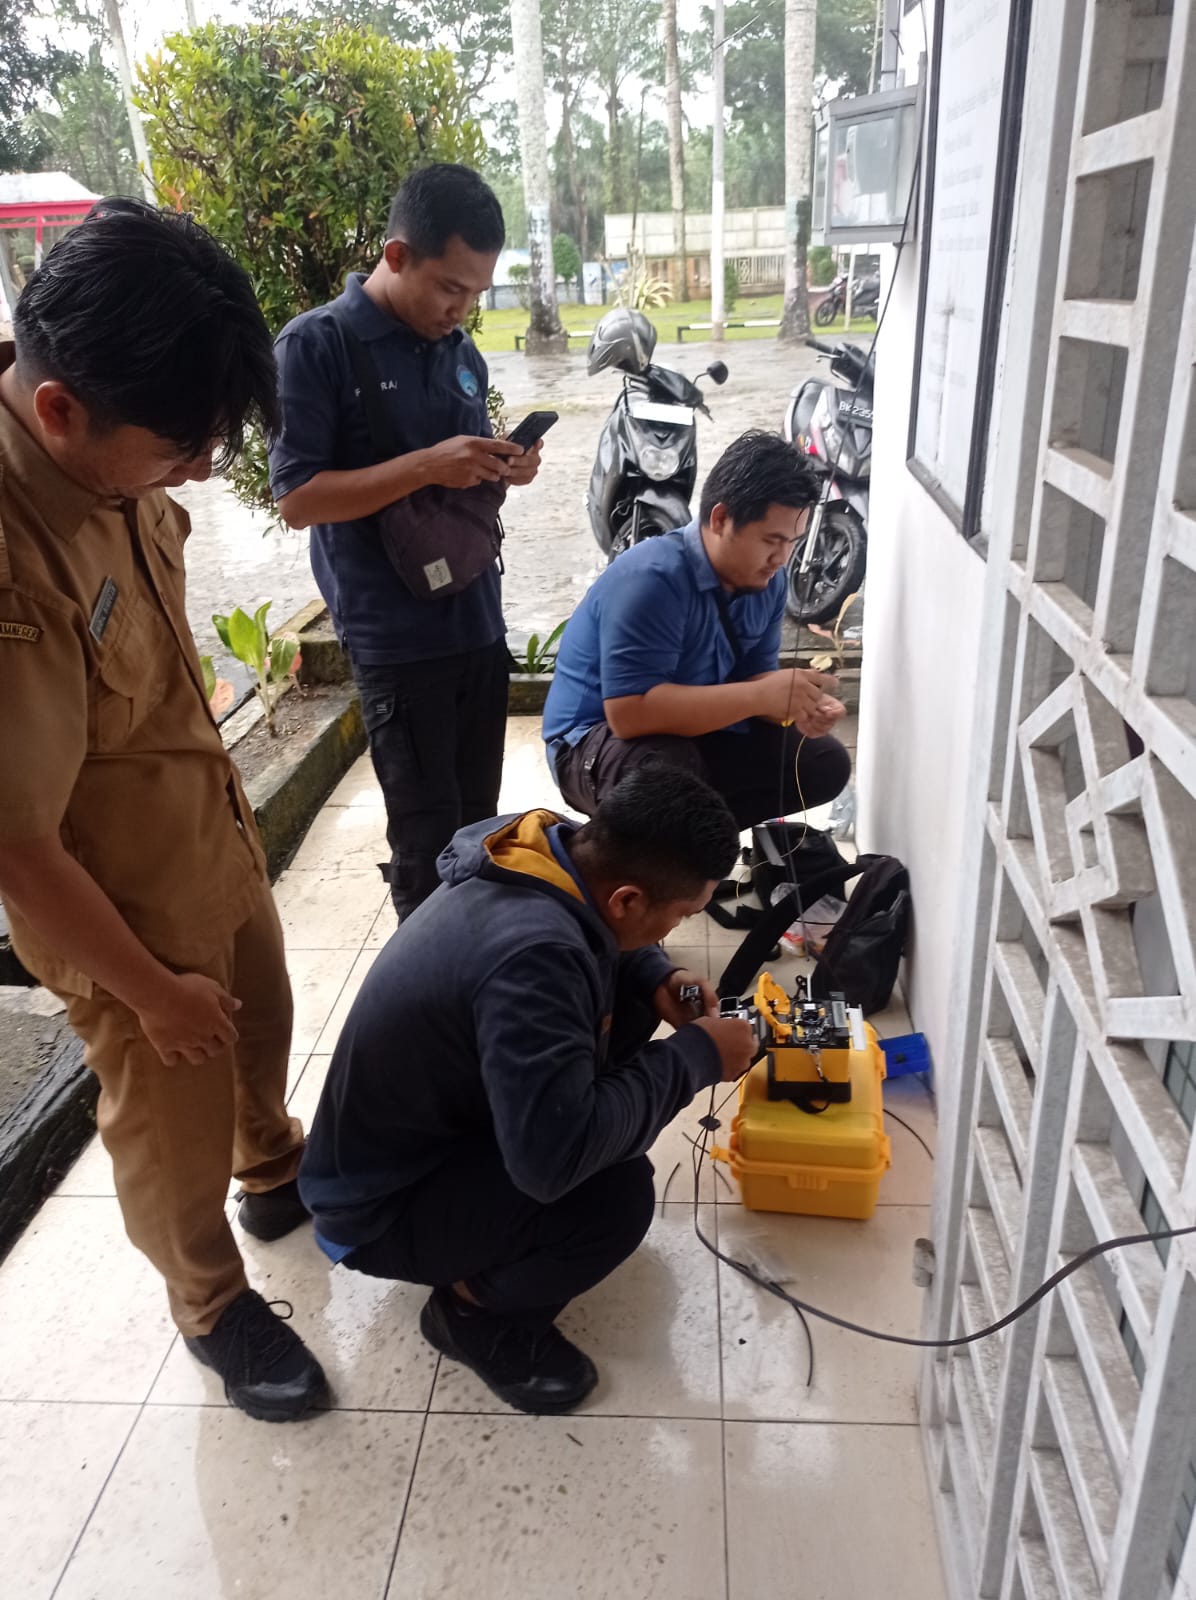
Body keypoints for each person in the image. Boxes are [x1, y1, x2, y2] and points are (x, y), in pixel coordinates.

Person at [0, 200, 327, 1423]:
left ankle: (274, 1165)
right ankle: (208, 1302)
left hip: (210, 836)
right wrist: (147, 989)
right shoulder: (9, 562)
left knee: (260, 1026)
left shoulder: (105, 438)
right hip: (120, 913)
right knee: (168, 1110)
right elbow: (18, 848)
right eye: (181, 450)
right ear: (59, 413)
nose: (197, 471)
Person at [298, 765, 756, 1414]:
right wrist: (696, 1058)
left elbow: (607, 927)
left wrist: (658, 969)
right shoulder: (533, 962)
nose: (672, 930)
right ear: (628, 899)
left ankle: (485, 1235)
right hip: (375, 1208)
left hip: (411, 1136)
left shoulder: (550, 849)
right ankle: (469, 1314)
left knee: (629, 1009)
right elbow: (552, 1165)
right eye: (677, 916)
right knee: (614, 1200)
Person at [269, 162, 542, 922]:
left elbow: (459, 480)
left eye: (476, 295)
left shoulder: (459, 352)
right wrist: (429, 464)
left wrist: (502, 467)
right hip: (396, 636)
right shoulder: (316, 346)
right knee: (426, 838)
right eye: (449, 288)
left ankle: (469, 963)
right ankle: (424, 999)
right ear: (396, 256)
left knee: (478, 824)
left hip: (474, 617)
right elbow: (296, 498)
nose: (460, 309)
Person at [543, 429, 852, 829]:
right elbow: (629, 715)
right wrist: (762, 694)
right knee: (668, 774)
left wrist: (795, 706)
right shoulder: (651, 579)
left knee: (822, 762)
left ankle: (692, 857)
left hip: (686, 730)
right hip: (591, 744)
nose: (781, 557)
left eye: (793, 541)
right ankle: (644, 861)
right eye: (771, 540)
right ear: (720, 519)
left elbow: (752, 680)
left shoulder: (769, 581)